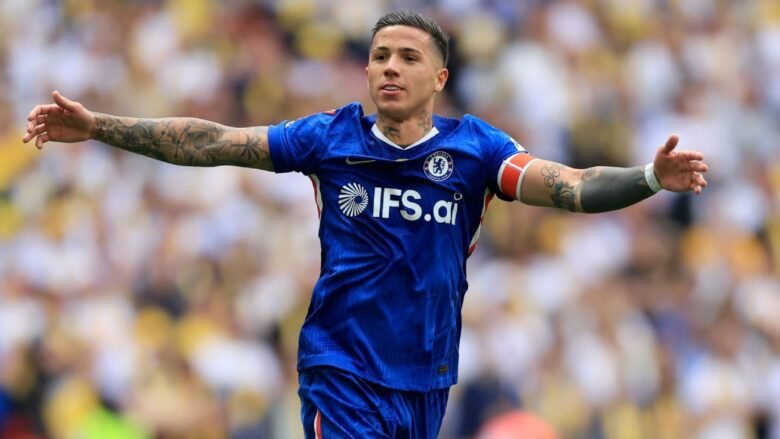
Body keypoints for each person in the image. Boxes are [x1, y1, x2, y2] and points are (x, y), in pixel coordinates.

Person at [22, 10, 708, 439]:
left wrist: (649, 178)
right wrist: (100, 126)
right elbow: (214, 141)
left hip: (425, 380)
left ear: (439, 77)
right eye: (379, 56)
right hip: (342, 369)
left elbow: (571, 186)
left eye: (407, 57)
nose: (389, 68)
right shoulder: (330, 138)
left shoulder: (476, 151)